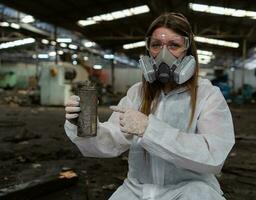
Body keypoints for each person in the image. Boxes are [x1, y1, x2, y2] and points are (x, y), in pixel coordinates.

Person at [64, 12, 235, 200]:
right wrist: (83, 125)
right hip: (138, 190)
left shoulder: (207, 95)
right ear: (148, 51)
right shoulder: (137, 94)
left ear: (187, 51)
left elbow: (214, 155)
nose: (164, 54)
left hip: (190, 189)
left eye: (174, 45)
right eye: (156, 45)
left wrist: (150, 129)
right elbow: (111, 141)